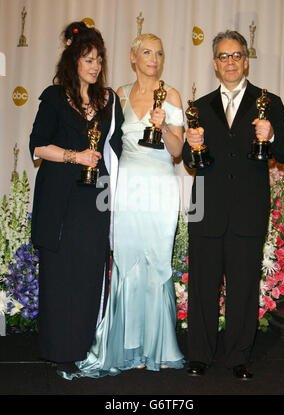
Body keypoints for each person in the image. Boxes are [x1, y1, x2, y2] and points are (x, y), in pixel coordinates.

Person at [58, 33, 185, 379]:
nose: (153, 58)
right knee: (127, 263)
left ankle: (157, 348)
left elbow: (177, 150)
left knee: (156, 263)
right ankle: (124, 347)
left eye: (159, 53)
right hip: (126, 187)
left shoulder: (170, 94)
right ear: (132, 58)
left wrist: (165, 128)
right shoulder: (117, 97)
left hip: (159, 187)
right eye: (146, 52)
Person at [182, 30, 284, 380]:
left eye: (235, 55)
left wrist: (272, 136)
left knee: (244, 287)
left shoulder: (270, 102)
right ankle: (199, 354)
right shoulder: (199, 106)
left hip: (248, 210)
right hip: (207, 210)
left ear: (246, 60)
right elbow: (190, 160)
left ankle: (238, 356)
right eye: (222, 56)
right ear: (215, 64)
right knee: (202, 284)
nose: (229, 62)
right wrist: (192, 143)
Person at [29, 21, 123, 372]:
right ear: (73, 61)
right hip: (60, 198)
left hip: (94, 200)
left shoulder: (109, 101)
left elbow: (119, 149)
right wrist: (76, 155)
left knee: (88, 273)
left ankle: (85, 349)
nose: (95, 65)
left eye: (99, 59)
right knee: (59, 275)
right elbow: (37, 147)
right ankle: (60, 352)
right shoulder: (53, 97)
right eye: (88, 59)